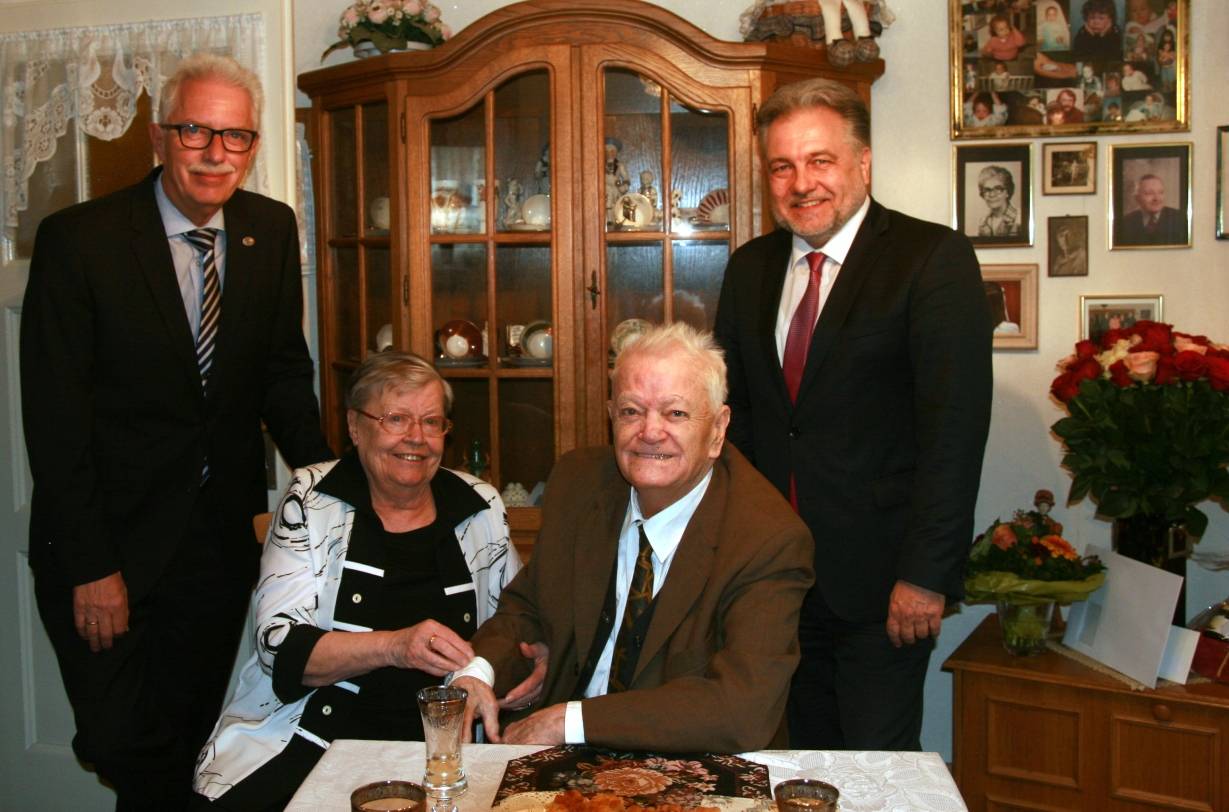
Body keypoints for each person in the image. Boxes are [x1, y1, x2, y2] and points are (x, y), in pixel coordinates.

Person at [19, 53, 334, 809]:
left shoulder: (268, 228)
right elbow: (54, 418)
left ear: (253, 146)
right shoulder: (81, 241)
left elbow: (282, 376)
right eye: (195, 130)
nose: (214, 153)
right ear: (159, 137)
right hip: (107, 547)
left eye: (234, 136)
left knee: (195, 743)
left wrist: (331, 487)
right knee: (123, 741)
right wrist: (93, 567)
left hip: (214, 546)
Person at [712, 78, 992, 750]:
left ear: (862, 164)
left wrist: (925, 575)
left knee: (873, 771)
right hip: (773, 583)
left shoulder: (930, 259)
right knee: (790, 763)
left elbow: (953, 432)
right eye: (781, 166)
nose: (799, 183)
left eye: (819, 161)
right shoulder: (748, 269)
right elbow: (739, 423)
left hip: (882, 588)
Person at [453, 322, 815, 752]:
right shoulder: (579, 483)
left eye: (675, 413)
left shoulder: (767, 539)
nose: (650, 431)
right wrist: (478, 672)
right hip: (569, 762)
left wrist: (570, 721)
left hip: (693, 763)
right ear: (610, 417)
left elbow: (742, 709)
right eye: (631, 411)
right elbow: (528, 608)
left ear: (718, 430)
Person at [193, 352, 521, 810]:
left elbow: (515, 619)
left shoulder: (479, 505)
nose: (417, 438)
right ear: (354, 426)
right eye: (395, 418)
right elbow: (278, 645)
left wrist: (508, 664)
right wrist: (394, 646)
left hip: (450, 752)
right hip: (314, 735)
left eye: (432, 422)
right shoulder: (312, 498)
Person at [1115, 173, 1186, 246]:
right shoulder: (1125, 223)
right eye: (1149, 193)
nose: (1156, 198)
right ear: (1137, 198)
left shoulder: (1180, 219)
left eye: (1161, 192)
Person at [977, 165, 1021, 237]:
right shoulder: (983, 222)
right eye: (987, 190)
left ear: (1007, 192)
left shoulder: (1019, 218)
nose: (992, 194)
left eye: (998, 189)